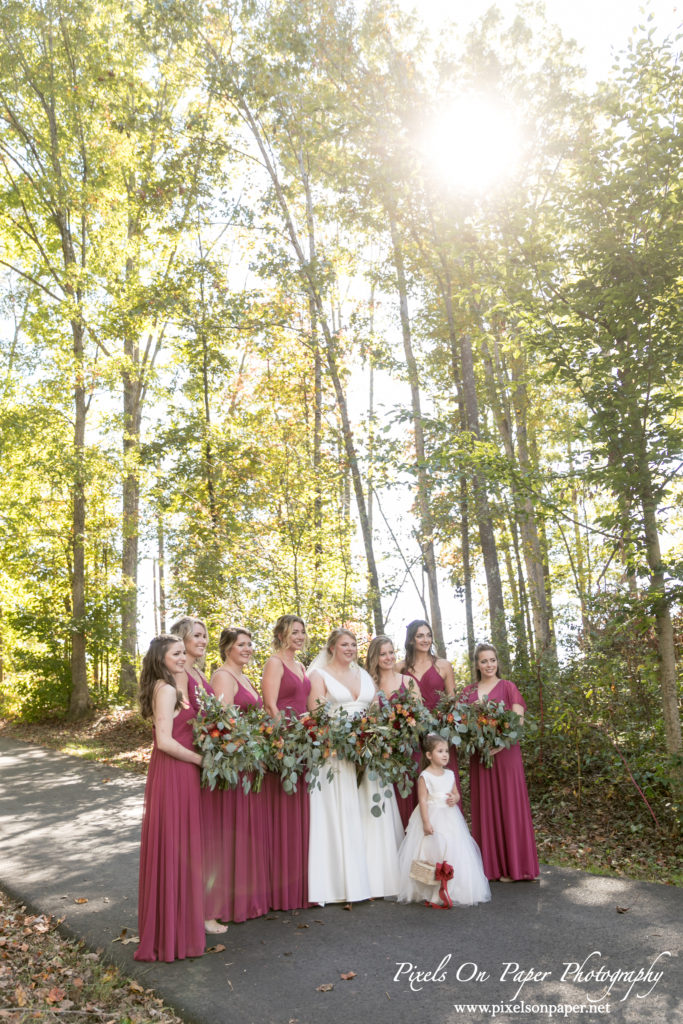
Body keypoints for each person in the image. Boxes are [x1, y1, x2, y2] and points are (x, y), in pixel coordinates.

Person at [307, 628, 403, 905]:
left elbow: (374, 709)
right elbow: (315, 715)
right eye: (344, 644)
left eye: (353, 645)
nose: (349, 649)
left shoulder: (363, 675)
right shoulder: (318, 675)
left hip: (368, 750)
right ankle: (345, 883)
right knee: (345, 813)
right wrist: (341, 739)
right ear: (332, 647)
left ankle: (377, 879)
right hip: (336, 754)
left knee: (371, 814)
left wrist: (373, 735)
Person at [135, 634, 206, 962]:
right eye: (176, 653)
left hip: (186, 772)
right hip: (173, 772)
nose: (182, 657)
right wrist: (200, 760)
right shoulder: (164, 690)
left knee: (185, 848)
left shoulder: (179, 687)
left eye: (183, 652)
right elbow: (164, 741)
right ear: (161, 659)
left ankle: (182, 928)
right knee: (174, 846)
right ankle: (169, 935)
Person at [200, 627, 270, 923]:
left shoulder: (243, 676)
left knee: (246, 828)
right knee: (231, 829)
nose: (248, 648)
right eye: (241, 644)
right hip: (235, 762)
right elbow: (222, 723)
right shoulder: (223, 677)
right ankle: (223, 904)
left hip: (249, 761)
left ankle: (245, 898)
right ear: (227, 647)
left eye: (250, 644)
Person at [461, 642, 539, 882]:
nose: (489, 665)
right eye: (484, 661)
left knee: (510, 803)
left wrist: (502, 742)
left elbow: (518, 721)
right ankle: (492, 867)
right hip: (481, 756)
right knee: (487, 804)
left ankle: (517, 867)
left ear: (498, 662)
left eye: (492, 660)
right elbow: (462, 724)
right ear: (476, 664)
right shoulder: (468, 693)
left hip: (506, 754)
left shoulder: (508, 687)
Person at [169, 616, 226, 934]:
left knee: (203, 839)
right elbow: (180, 717)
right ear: (181, 639)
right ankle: (193, 914)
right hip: (189, 757)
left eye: (205, 636)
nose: (203, 641)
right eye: (197, 636)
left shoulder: (198, 672)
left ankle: (202, 910)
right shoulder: (179, 673)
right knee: (190, 839)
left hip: (205, 757)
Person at [397, 735, 490, 907]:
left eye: (446, 751)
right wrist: (426, 822)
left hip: (450, 816)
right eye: (440, 751)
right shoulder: (425, 776)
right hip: (432, 815)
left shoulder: (450, 774)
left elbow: (456, 793)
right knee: (432, 850)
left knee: (453, 848)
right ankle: (429, 887)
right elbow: (423, 800)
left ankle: (454, 887)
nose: (445, 755)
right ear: (429, 755)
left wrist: (455, 798)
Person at [261, 614, 311, 910]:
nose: (300, 636)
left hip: (304, 744)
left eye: (302, 632)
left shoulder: (302, 666)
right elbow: (270, 704)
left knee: (300, 809)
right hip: (284, 744)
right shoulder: (274, 663)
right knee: (283, 808)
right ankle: (279, 888)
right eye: (294, 632)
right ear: (281, 635)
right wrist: (286, 740)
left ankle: (299, 884)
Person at [397, 619, 462, 814]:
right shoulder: (400, 668)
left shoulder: (443, 665)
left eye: (428, 635)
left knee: (442, 787)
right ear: (411, 640)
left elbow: (453, 701)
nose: (425, 640)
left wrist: (448, 727)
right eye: (420, 636)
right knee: (417, 782)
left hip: (440, 735)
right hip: (412, 735)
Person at [366, 634, 423, 828]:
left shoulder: (408, 682)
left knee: (414, 796)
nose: (389, 657)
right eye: (383, 654)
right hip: (386, 754)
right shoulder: (370, 685)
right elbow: (371, 720)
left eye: (391, 652)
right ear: (375, 658)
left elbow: (420, 716)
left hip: (410, 750)